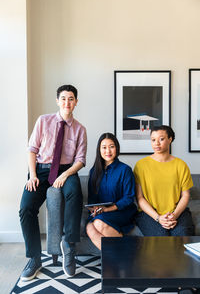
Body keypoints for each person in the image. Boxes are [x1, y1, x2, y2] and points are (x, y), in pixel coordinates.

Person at [19, 84, 87, 280]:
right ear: (57, 100)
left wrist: (65, 175)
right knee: (26, 208)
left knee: (75, 192)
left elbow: (80, 160)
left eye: (71, 98)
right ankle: (34, 258)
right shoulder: (43, 121)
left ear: (76, 102)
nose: (67, 102)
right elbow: (32, 149)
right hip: (41, 169)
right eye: (64, 98)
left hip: (67, 170)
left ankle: (69, 245)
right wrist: (32, 175)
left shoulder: (80, 129)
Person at [134, 125, 195, 236]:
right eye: (153, 140)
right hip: (149, 214)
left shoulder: (181, 165)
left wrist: (174, 215)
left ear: (170, 139)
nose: (156, 143)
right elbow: (139, 198)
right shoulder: (141, 165)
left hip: (177, 212)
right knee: (161, 236)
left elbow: (185, 195)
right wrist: (158, 218)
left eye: (161, 139)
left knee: (182, 234)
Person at [86, 132, 137, 250]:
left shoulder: (125, 170)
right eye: (104, 147)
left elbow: (129, 198)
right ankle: (118, 259)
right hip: (101, 212)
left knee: (98, 223)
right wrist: (94, 210)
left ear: (117, 148)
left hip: (122, 211)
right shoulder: (94, 171)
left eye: (111, 146)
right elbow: (92, 198)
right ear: (99, 150)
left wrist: (108, 209)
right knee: (89, 227)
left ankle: (122, 255)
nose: (108, 151)